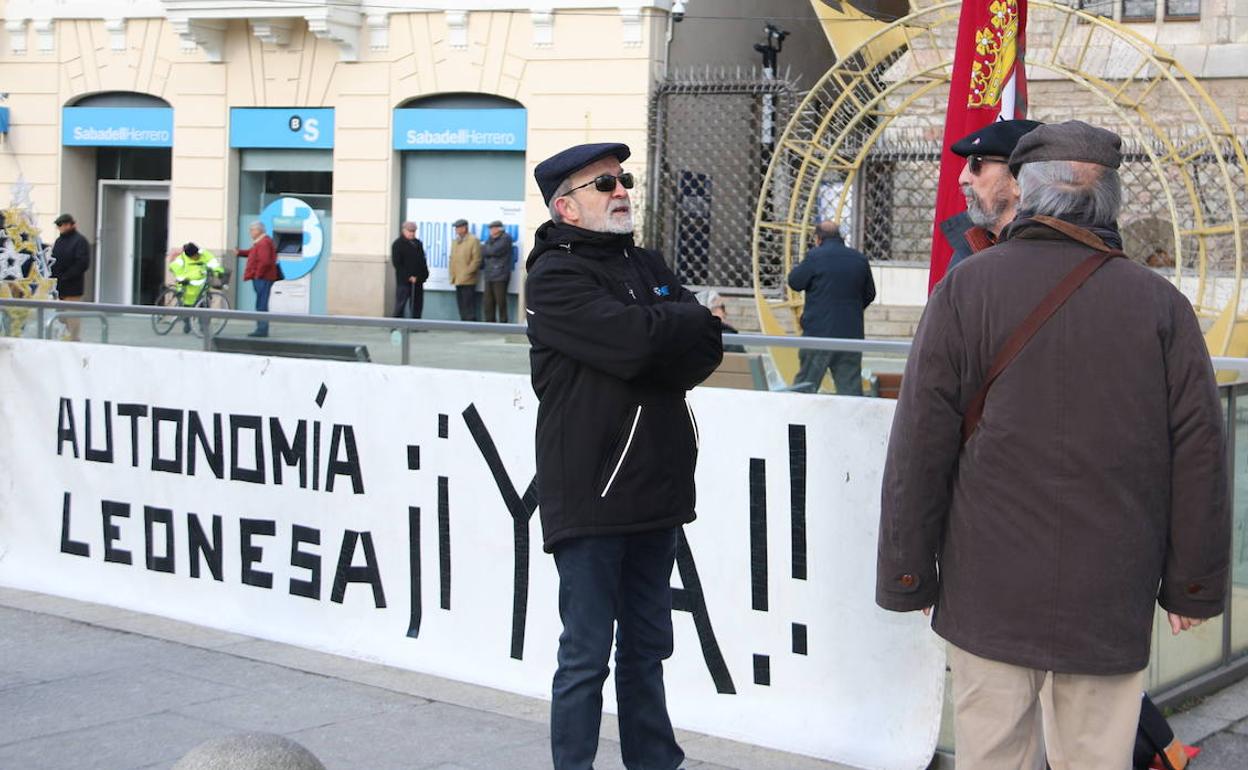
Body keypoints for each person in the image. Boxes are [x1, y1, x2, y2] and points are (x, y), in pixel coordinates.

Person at [876, 120, 1229, 770]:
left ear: (1026, 191)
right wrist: (1193, 585)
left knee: (994, 759)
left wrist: (909, 569)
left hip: (986, 591)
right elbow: (1200, 449)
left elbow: (920, 442)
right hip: (1109, 595)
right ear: (1112, 202)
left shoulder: (967, 289)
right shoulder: (1160, 305)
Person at [525, 142, 723, 770]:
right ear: (567, 207)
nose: (621, 191)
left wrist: (683, 325)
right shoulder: (553, 275)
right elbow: (637, 345)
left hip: (657, 487)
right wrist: (687, 318)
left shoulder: (648, 263)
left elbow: (703, 353)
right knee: (586, 654)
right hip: (591, 490)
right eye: (604, 183)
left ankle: (655, 761)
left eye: (623, 179)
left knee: (648, 646)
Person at [786, 221, 876, 395]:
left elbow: (795, 282)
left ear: (818, 239)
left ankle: (798, 421)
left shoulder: (815, 257)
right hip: (850, 336)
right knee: (850, 392)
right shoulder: (859, 259)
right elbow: (870, 294)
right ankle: (850, 422)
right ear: (840, 237)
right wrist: (852, 310)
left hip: (818, 335)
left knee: (805, 387)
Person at [941, 119, 1042, 271]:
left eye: (976, 164)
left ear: (1019, 181)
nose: (962, 178)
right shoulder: (969, 249)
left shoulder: (1057, 254)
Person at [167, 242, 224, 333]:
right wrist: (182, 279)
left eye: (195, 255)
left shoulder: (205, 255)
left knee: (204, 306)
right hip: (187, 285)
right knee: (186, 307)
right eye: (192, 257)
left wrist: (219, 272)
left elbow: (214, 264)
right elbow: (175, 268)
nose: (194, 258)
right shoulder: (182, 258)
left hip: (201, 285)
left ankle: (203, 327)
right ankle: (187, 323)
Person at [51, 213, 91, 340]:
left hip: (73, 287)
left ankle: (73, 341)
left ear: (70, 225)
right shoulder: (59, 240)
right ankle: (62, 339)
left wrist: (66, 276)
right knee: (61, 317)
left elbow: (82, 263)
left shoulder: (80, 241)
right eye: (58, 226)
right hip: (59, 287)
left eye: (61, 225)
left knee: (72, 317)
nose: (59, 228)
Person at [238, 221, 278, 338]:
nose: (250, 232)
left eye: (252, 230)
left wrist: (258, 275)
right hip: (262, 277)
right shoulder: (260, 242)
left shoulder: (263, 242)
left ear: (258, 230)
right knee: (261, 303)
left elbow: (264, 261)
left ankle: (262, 329)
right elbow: (252, 253)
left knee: (261, 304)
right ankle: (261, 328)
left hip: (263, 278)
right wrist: (240, 252)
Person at [391, 221, 428, 319]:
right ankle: (396, 325)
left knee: (417, 305)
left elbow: (422, 261)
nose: (412, 233)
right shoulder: (398, 244)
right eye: (409, 231)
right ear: (403, 231)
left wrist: (423, 275)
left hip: (418, 280)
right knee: (400, 304)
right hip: (404, 282)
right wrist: (409, 277)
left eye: (414, 231)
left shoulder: (418, 243)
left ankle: (416, 325)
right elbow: (397, 264)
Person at [449, 217, 481, 321]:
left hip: (468, 279)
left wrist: (466, 273)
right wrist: (452, 274)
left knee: (469, 303)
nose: (456, 230)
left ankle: (471, 323)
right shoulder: (455, 241)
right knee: (460, 302)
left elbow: (476, 260)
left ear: (464, 228)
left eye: (458, 227)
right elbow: (452, 258)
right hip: (457, 278)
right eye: (456, 228)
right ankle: (463, 322)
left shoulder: (473, 240)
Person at [480, 220, 513, 323]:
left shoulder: (506, 238)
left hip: (501, 275)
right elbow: (484, 251)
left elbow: (492, 251)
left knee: (500, 301)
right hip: (489, 274)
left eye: (493, 228)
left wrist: (486, 249)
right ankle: (490, 322)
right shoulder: (490, 239)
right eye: (490, 228)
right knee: (488, 301)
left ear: (500, 229)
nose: (491, 230)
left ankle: (503, 323)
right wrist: (486, 249)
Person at [696, 289, 744, 353]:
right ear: (710, 311)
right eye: (722, 308)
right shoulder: (730, 339)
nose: (725, 313)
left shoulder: (689, 338)